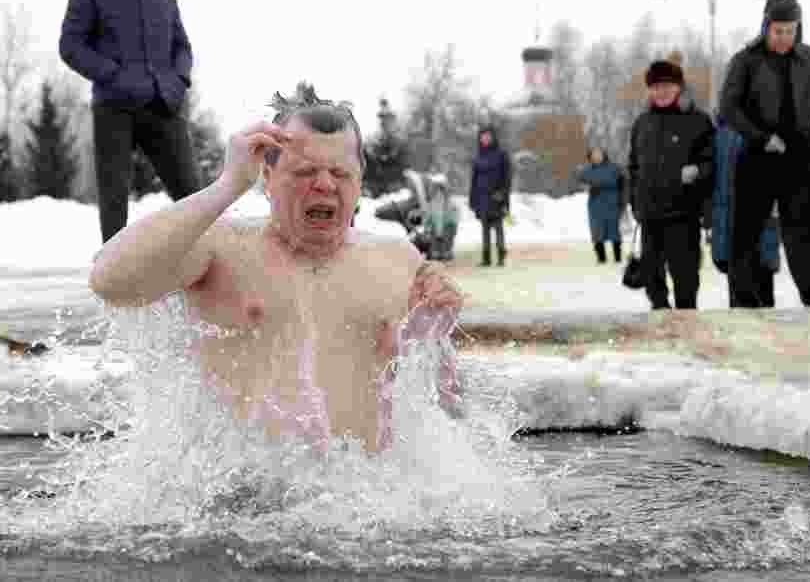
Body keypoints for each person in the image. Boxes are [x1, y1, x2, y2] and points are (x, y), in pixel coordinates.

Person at [88, 82, 464, 452]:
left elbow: (445, 405)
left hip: (367, 497)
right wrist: (226, 186)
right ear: (267, 176)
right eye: (304, 172)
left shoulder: (397, 259)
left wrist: (431, 330)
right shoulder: (220, 248)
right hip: (244, 502)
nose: (323, 184)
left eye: (341, 173)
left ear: (359, 179)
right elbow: (109, 280)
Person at [59, 0, 201, 244]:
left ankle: (210, 267)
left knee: (194, 195)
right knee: (114, 199)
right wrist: (114, 75)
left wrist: (178, 80)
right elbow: (71, 45)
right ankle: (115, 279)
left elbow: (182, 45)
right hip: (114, 108)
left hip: (163, 105)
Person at [720, 0, 810, 307]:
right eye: (778, 30)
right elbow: (728, 107)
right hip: (757, 154)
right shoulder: (745, 61)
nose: (784, 37)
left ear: (798, 28)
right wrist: (759, 137)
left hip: (800, 155)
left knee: (805, 227)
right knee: (746, 229)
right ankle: (743, 297)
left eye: (790, 30)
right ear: (766, 26)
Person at [628, 59, 714, 310]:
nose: (661, 91)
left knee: (685, 275)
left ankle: (687, 320)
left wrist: (698, 170)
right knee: (652, 277)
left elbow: (711, 162)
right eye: (655, 86)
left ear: (678, 87)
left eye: (667, 85)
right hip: (650, 213)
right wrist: (634, 201)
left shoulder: (698, 121)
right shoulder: (642, 124)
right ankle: (661, 316)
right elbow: (633, 167)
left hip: (683, 213)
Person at [710, 115, 781, 307]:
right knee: (746, 287)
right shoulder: (716, 135)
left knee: (755, 287)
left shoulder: (717, 135)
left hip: (754, 223)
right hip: (733, 223)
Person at [469, 125, 512, 267]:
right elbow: (474, 179)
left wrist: (503, 194)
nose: (485, 139)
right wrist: (472, 199)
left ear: (493, 137)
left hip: (496, 197)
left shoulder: (501, 154)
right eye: (482, 136)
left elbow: (507, 177)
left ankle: (501, 256)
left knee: (498, 227)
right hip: (482, 198)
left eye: (487, 136)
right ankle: (486, 258)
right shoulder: (477, 156)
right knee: (485, 229)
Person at [577, 147, 622, 264]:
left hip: (612, 203)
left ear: (604, 155)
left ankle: (618, 257)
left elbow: (622, 182)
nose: (597, 157)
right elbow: (580, 181)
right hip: (595, 205)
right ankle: (601, 258)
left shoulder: (613, 168)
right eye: (594, 154)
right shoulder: (587, 170)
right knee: (597, 232)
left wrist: (622, 201)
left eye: (599, 154)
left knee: (614, 232)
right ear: (590, 156)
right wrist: (584, 186)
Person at [422, 173, 459, 261]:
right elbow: (427, 218)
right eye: (436, 189)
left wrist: (453, 228)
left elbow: (453, 219)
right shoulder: (431, 204)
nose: (438, 192)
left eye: (440, 189)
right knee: (435, 254)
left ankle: (445, 254)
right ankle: (437, 255)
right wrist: (426, 227)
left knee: (445, 253)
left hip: (446, 230)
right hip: (435, 231)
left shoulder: (450, 204)